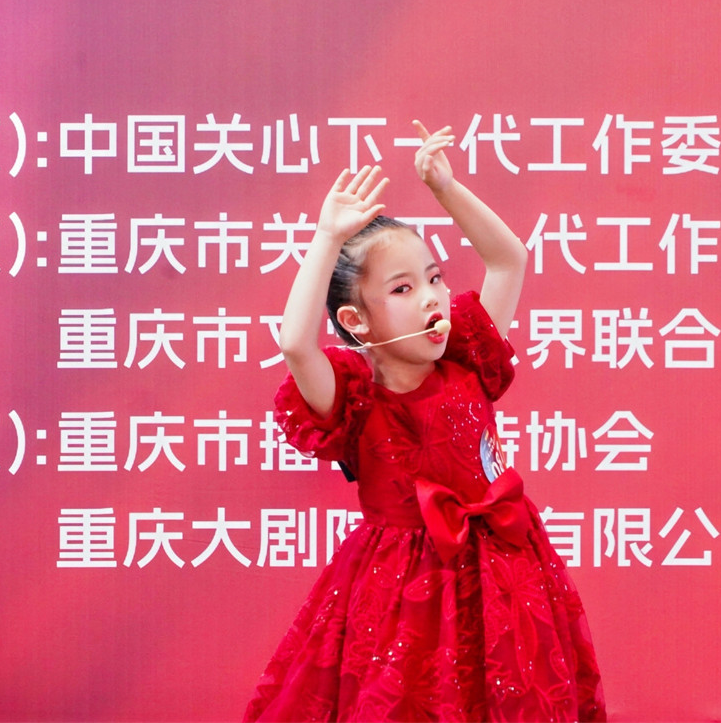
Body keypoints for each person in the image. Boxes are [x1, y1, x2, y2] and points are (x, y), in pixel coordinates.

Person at [243, 121, 606, 721]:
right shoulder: (354, 398)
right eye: (404, 289)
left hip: (505, 571)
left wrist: (445, 188)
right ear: (357, 323)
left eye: (434, 278)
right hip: (404, 591)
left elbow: (509, 259)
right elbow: (295, 345)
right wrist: (327, 239)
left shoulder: (467, 357)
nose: (432, 297)